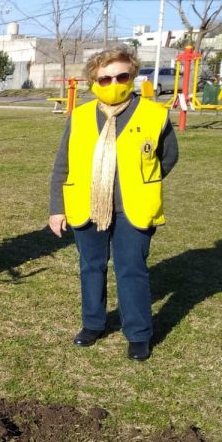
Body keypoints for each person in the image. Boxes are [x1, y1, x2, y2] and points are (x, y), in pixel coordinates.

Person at [49, 45, 178, 361]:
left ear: (132, 75)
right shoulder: (79, 116)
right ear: (93, 81)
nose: (114, 83)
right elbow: (62, 164)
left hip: (133, 208)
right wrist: (56, 208)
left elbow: (169, 155)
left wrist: (142, 179)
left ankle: (138, 334)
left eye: (122, 76)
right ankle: (93, 324)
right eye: (105, 79)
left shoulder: (154, 115)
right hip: (85, 204)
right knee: (90, 266)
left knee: (131, 269)